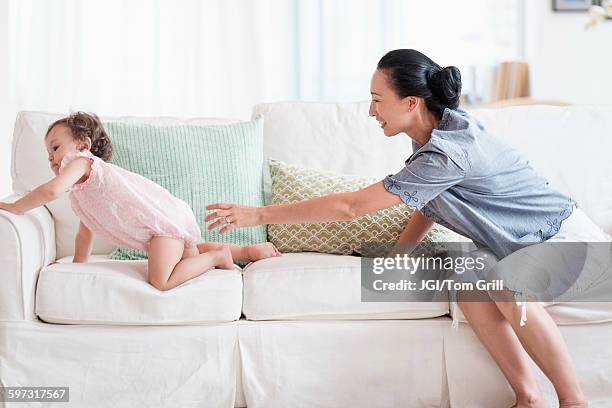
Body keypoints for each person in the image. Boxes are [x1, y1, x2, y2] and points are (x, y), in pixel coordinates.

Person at [204, 50, 609, 407]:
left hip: (572, 243)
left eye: (378, 100)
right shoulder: (434, 137)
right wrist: (400, 253)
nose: (371, 111)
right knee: (467, 281)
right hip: (526, 245)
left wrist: (258, 215)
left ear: (412, 102)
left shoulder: (450, 150)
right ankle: (528, 397)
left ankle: (573, 401)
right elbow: (430, 201)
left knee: (504, 281)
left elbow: (351, 207)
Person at [0, 112, 280, 291]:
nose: (52, 159)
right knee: (187, 257)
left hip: (161, 225)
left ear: (83, 145)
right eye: (49, 155)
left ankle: (217, 256)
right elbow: (85, 232)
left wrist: (17, 207)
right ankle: (241, 250)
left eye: (56, 148)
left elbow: (50, 191)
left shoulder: (82, 163)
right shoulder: (82, 194)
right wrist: (78, 267)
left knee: (162, 281)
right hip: (162, 227)